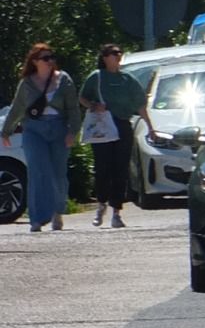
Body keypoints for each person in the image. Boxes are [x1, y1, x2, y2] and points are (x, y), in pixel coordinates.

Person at [1, 43, 80, 232]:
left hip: (58, 128)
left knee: (57, 173)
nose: (50, 61)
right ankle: (37, 218)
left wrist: (72, 132)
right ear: (35, 62)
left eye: (52, 57)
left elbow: (73, 108)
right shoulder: (27, 83)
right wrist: (6, 131)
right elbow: (17, 108)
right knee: (37, 171)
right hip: (34, 130)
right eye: (45, 58)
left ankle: (57, 212)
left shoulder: (64, 80)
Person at [80, 44, 153, 228]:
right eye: (114, 54)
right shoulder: (96, 77)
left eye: (120, 53)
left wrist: (151, 127)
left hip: (121, 125)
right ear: (105, 57)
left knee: (120, 169)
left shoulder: (127, 79)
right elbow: (82, 97)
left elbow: (139, 105)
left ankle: (117, 211)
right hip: (103, 126)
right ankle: (101, 203)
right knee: (103, 167)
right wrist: (93, 106)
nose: (118, 56)